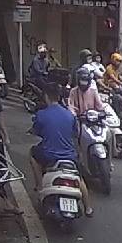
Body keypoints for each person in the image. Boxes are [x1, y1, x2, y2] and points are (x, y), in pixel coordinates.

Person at [30, 84, 93, 217]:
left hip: (49, 155)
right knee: (79, 177)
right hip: (70, 155)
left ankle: (40, 187)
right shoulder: (69, 115)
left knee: (32, 154)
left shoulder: (41, 114)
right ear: (59, 97)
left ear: (46, 96)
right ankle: (88, 207)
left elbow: (36, 130)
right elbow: (75, 133)